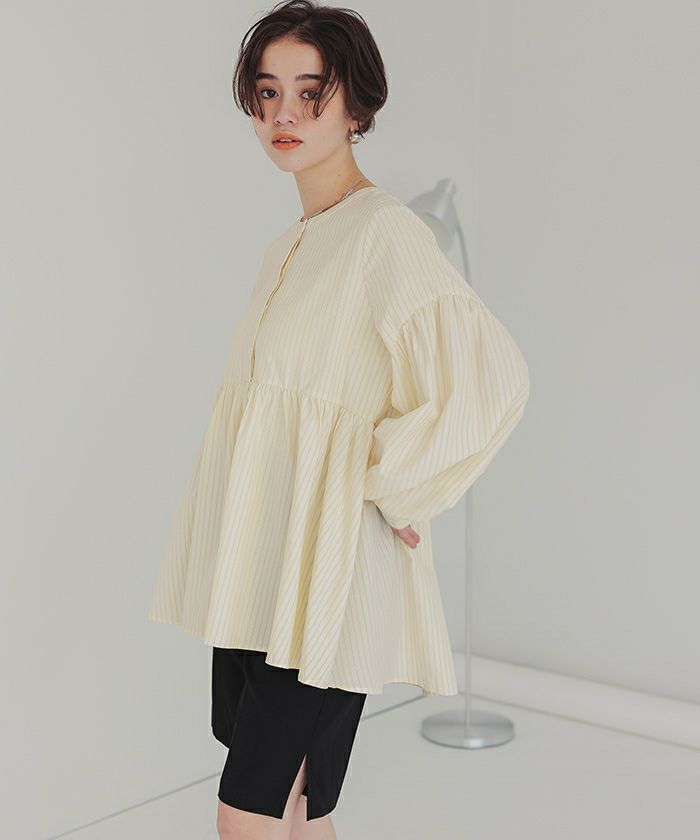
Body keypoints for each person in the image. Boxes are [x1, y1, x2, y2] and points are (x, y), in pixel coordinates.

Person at [147, 1, 531, 838]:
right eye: (267, 92)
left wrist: (398, 485)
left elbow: (490, 378)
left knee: (247, 815)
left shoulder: (385, 234)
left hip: (323, 577)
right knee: (297, 810)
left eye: (310, 93)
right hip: (263, 566)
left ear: (356, 106)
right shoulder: (291, 244)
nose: (283, 114)